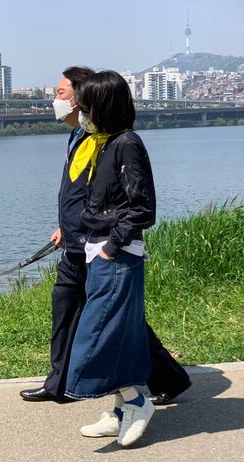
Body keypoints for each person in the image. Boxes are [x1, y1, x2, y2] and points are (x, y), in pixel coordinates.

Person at [20, 67, 190, 406]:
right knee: (69, 308)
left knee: (114, 319)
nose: (55, 99)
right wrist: (65, 227)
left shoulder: (110, 140)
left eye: (61, 93)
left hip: (96, 246)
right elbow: (81, 194)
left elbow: (128, 203)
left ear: (84, 98)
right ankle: (61, 383)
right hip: (77, 242)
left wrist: (108, 247)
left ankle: (154, 385)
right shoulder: (79, 137)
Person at [63, 70, 161, 446]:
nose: (81, 112)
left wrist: (111, 246)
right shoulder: (104, 143)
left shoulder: (126, 144)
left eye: (86, 106)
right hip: (101, 252)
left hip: (116, 255)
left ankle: (136, 402)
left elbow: (142, 207)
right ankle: (121, 409)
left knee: (95, 336)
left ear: (103, 106)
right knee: (121, 337)